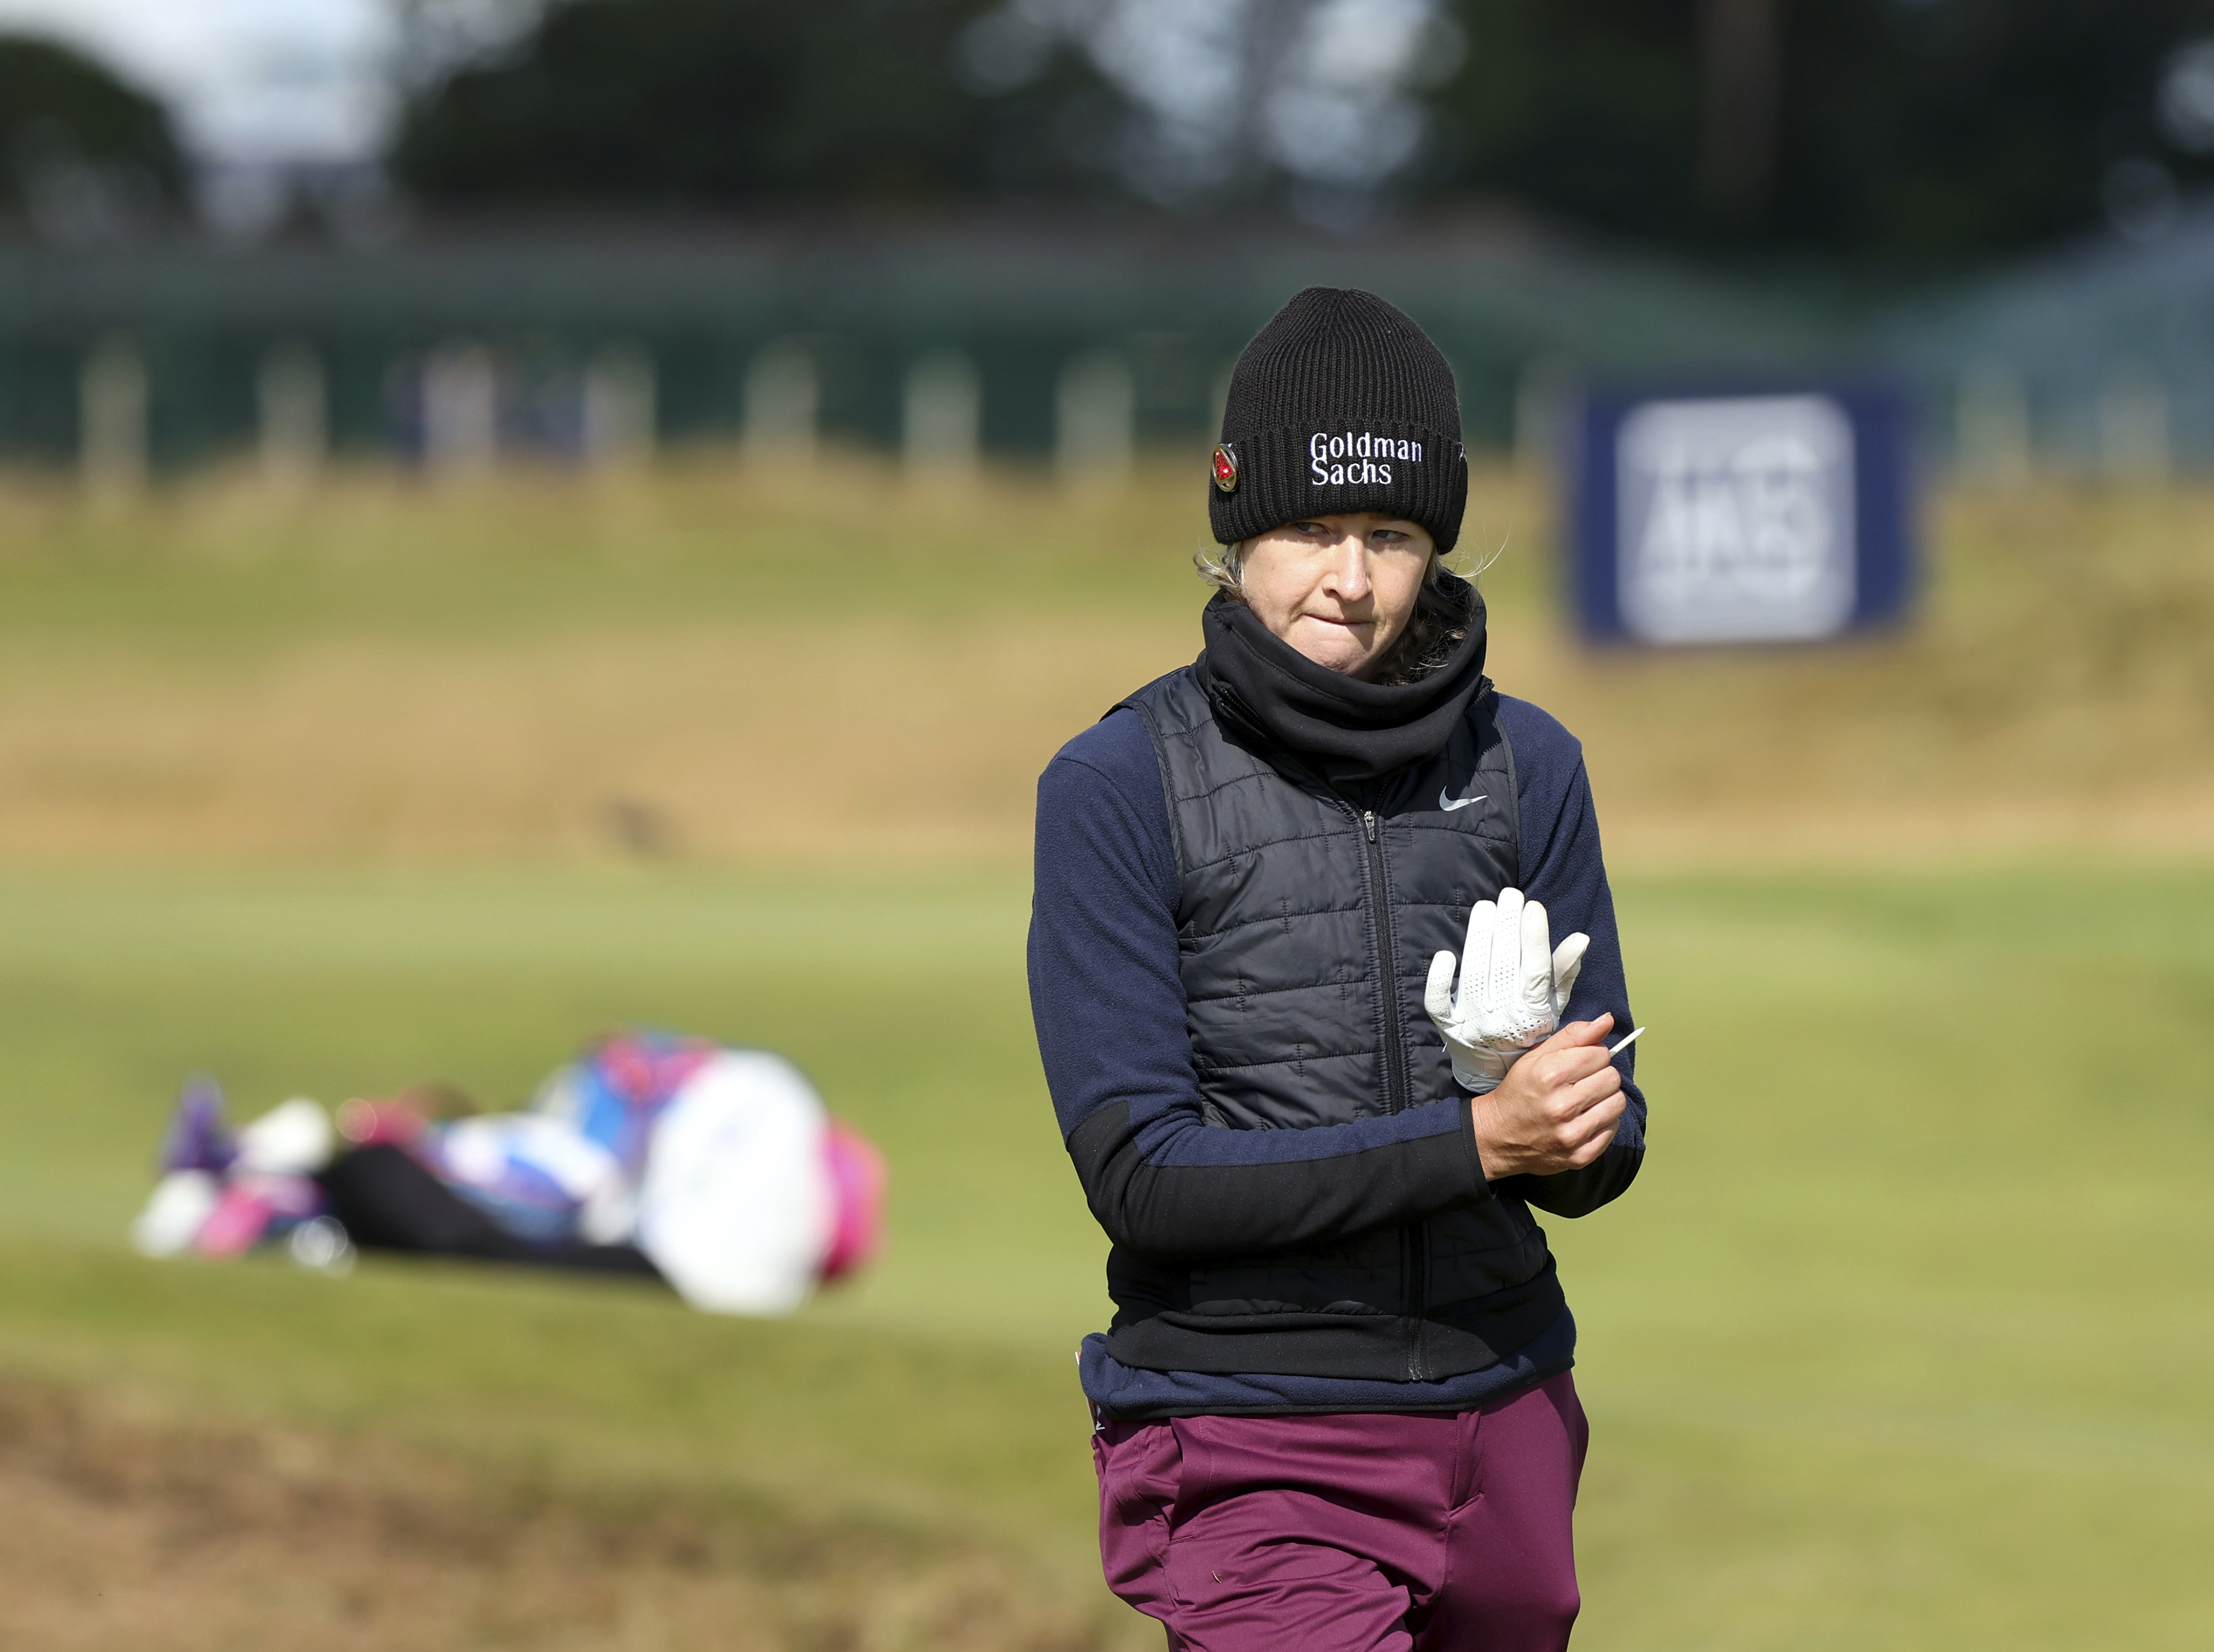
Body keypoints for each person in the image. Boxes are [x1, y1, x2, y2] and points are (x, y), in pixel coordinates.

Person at [1028, 287, 1646, 1650]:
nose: (1348, 579)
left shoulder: (1526, 763)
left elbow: (1608, 1150)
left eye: (1391, 535)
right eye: (1311, 529)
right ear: (1236, 527)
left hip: (1508, 1412)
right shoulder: (1117, 781)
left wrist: (1555, 1111)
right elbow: (1139, 1172)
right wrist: (1477, 1135)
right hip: (1250, 1434)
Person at [129, 1030, 885, 1316]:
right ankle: (270, 1179)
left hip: (608, 1164)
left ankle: (277, 1194)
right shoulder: (779, 1124)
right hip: (607, 1168)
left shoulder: (768, 1099)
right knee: (503, 1227)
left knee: (499, 1229)